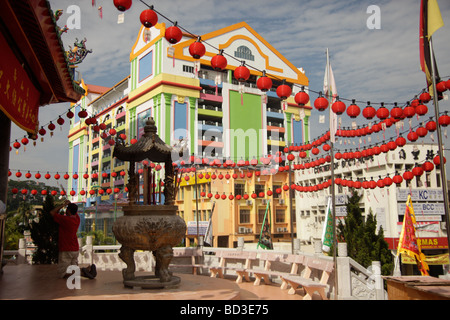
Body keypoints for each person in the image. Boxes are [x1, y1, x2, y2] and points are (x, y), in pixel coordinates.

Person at [50, 200, 96, 279]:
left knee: (64, 273)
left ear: (68, 211)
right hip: (75, 249)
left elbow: (52, 213)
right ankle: (87, 270)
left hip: (66, 248)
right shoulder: (77, 219)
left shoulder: (65, 220)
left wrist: (63, 205)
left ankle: (83, 272)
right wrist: (70, 204)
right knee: (72, 269)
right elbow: (74, 211)